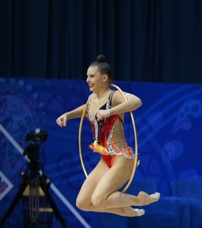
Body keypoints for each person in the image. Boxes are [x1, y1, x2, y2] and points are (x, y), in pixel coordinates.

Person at [56, 55, 159, 216]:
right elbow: (85, 108)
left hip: (122, 157)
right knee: (82, 202)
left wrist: (110, 111)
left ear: (104, 78)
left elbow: (137, 101)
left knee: (98, 199)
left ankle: (141, 200)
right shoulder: (91, 98)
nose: (87, 80)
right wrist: (67, 115)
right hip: (106, 159)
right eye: (87, 76)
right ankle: (124, 210)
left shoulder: (114, 97)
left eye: (91, 76)